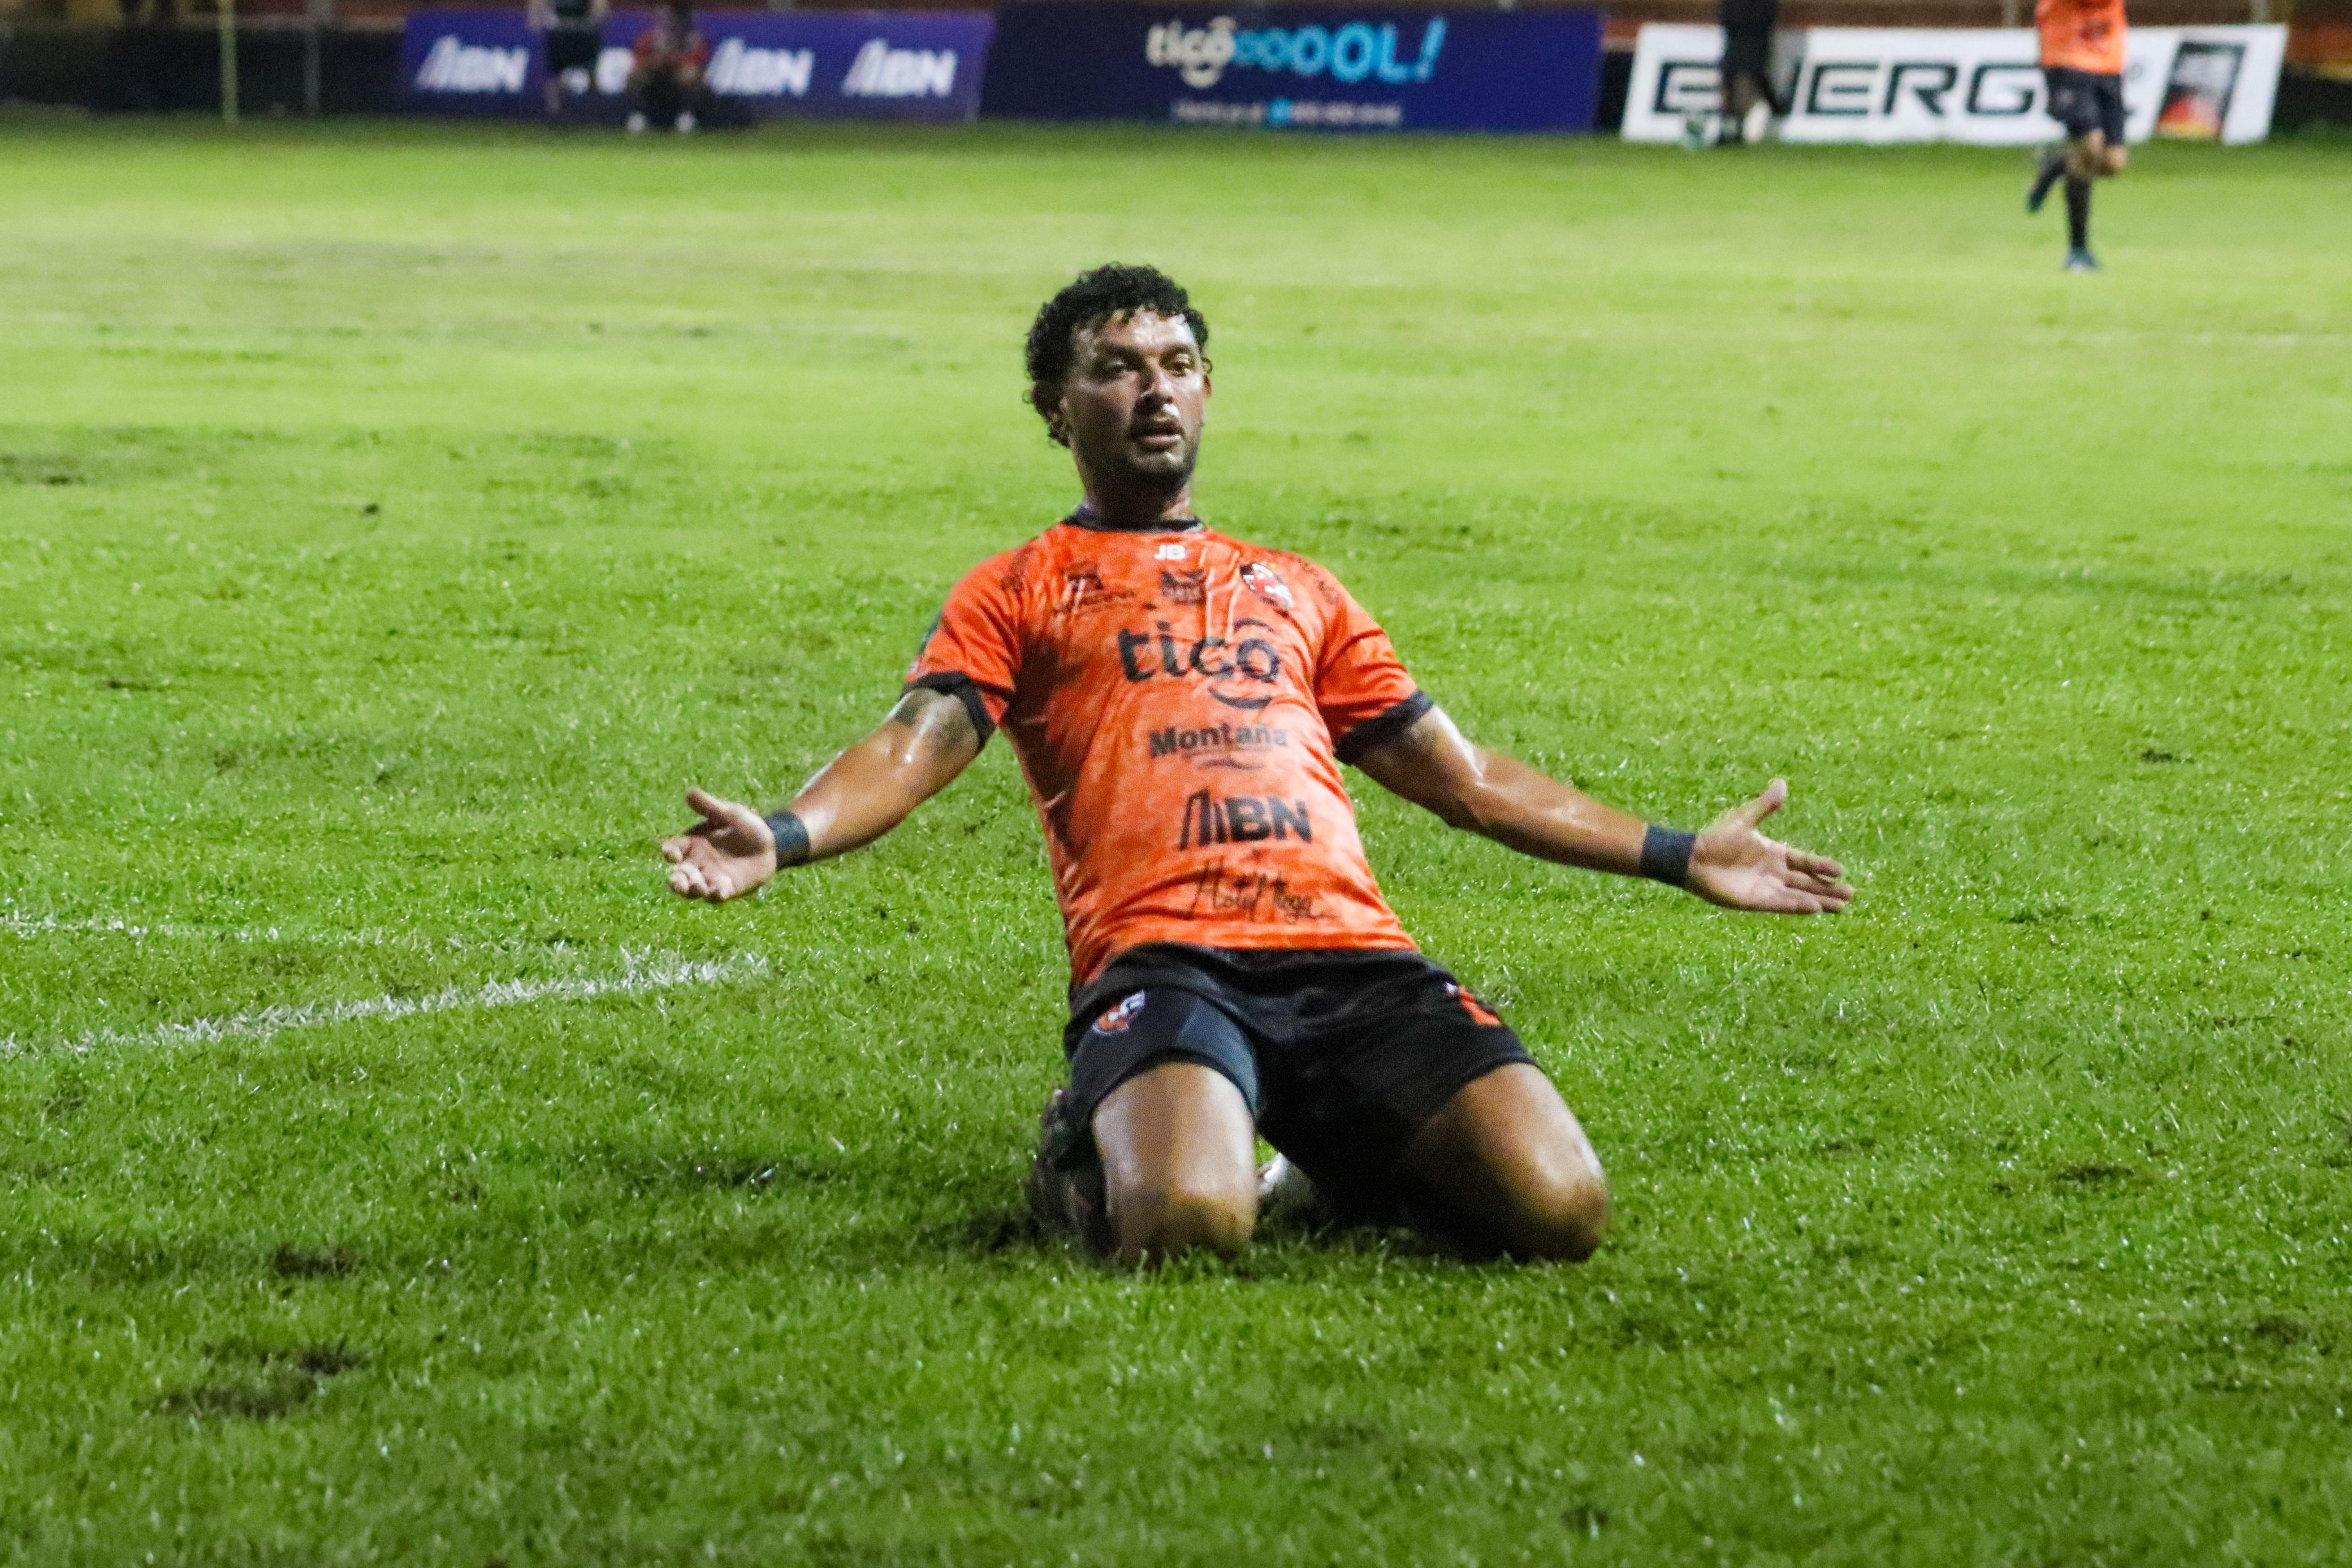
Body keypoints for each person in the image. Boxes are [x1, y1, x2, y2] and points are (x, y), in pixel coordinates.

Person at [661, 265, 1853, 1268]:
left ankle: (1309, 1161)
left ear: (1209, 390)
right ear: (1054, 407)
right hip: (1169, 958)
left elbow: (1469, 779)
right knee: (1183, 1226)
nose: (1154, 389)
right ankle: (1081, 1150)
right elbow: (912, 746)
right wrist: (788, 828)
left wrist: (1678, 853)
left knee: (1558, 1210)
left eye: (1177, 363)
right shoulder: (1020, 588)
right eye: (1116, 367)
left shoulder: (1298, 590)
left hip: (1354, 958)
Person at [2026, 0, 2129, 271]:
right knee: (2089, 148)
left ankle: (2055, 165)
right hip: (2068, 65)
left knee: (2113, 163)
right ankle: (2078, 250)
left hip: (2109, 68)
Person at [626, 0, 710, 135]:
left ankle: (686, 116)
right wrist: (653, 63)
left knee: (690, 74)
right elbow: (639, 60)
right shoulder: (650, 38)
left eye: (671, 16)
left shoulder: (691, 39)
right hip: (656, 78)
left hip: (677, 78)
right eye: (664, 16)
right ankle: (639, 115)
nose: (668, 20)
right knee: (635, 76)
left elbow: (699, 60)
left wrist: (671, 61)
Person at [1715, 0, 1784, 145]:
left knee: (1744, 83)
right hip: (1738, 40)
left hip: (1753, 41)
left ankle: (1737, 128)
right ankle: (1728, 129)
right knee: (1731, 84)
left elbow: (1769, 17)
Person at [530, 0, 608, 119]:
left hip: (584, 33)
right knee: (555, 77)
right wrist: (537, 20)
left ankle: (597, 112)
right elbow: (537, 6)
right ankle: (554, 115)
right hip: (560, 34)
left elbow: (600, 7)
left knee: (592, 75)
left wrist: (596, 21)